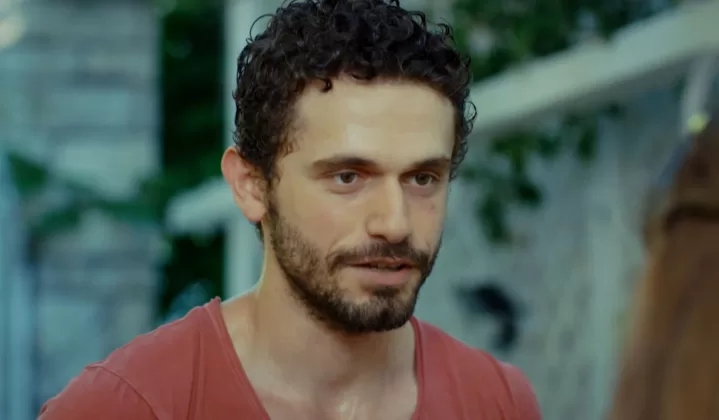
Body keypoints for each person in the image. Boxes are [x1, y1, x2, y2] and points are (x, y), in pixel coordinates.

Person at [39, 0, 541, 418]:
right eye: (348, 177)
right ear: (252, 186)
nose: (395, 223)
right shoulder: (127, 406)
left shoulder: (498, 402)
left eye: (422, 178)